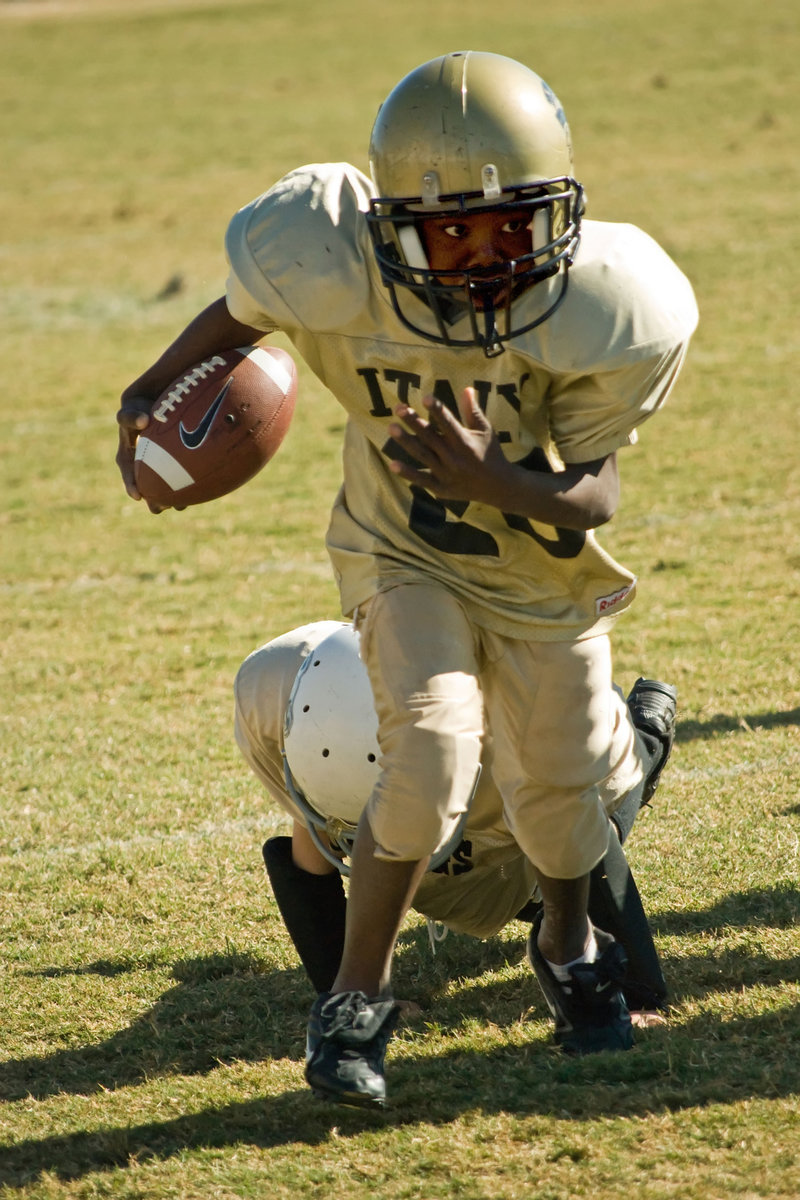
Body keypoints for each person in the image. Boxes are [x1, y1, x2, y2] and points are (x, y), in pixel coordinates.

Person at [116, 51, 698, 1106]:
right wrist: (154, 385)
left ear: (555, 221)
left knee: (559, 795)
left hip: (538, 576)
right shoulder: (324, 255)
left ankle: (565, 948)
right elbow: (239, 318)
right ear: (389, 226)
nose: (481, 257)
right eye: (451, 233)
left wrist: (490, 475)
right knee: (424, 747)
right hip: (402, 551)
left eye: (507, 230)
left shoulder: (607, 308)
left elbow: (595, 498)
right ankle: (353, 1000)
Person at [233, 621, 675, 1022]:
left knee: (581, 823)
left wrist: (637, 995)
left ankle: (646, 729)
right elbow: (313, 851)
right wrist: (350, 996)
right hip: (461, 820)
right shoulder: (274, 692)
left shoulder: (511, 733)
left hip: (522, 818)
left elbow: (581, 833)